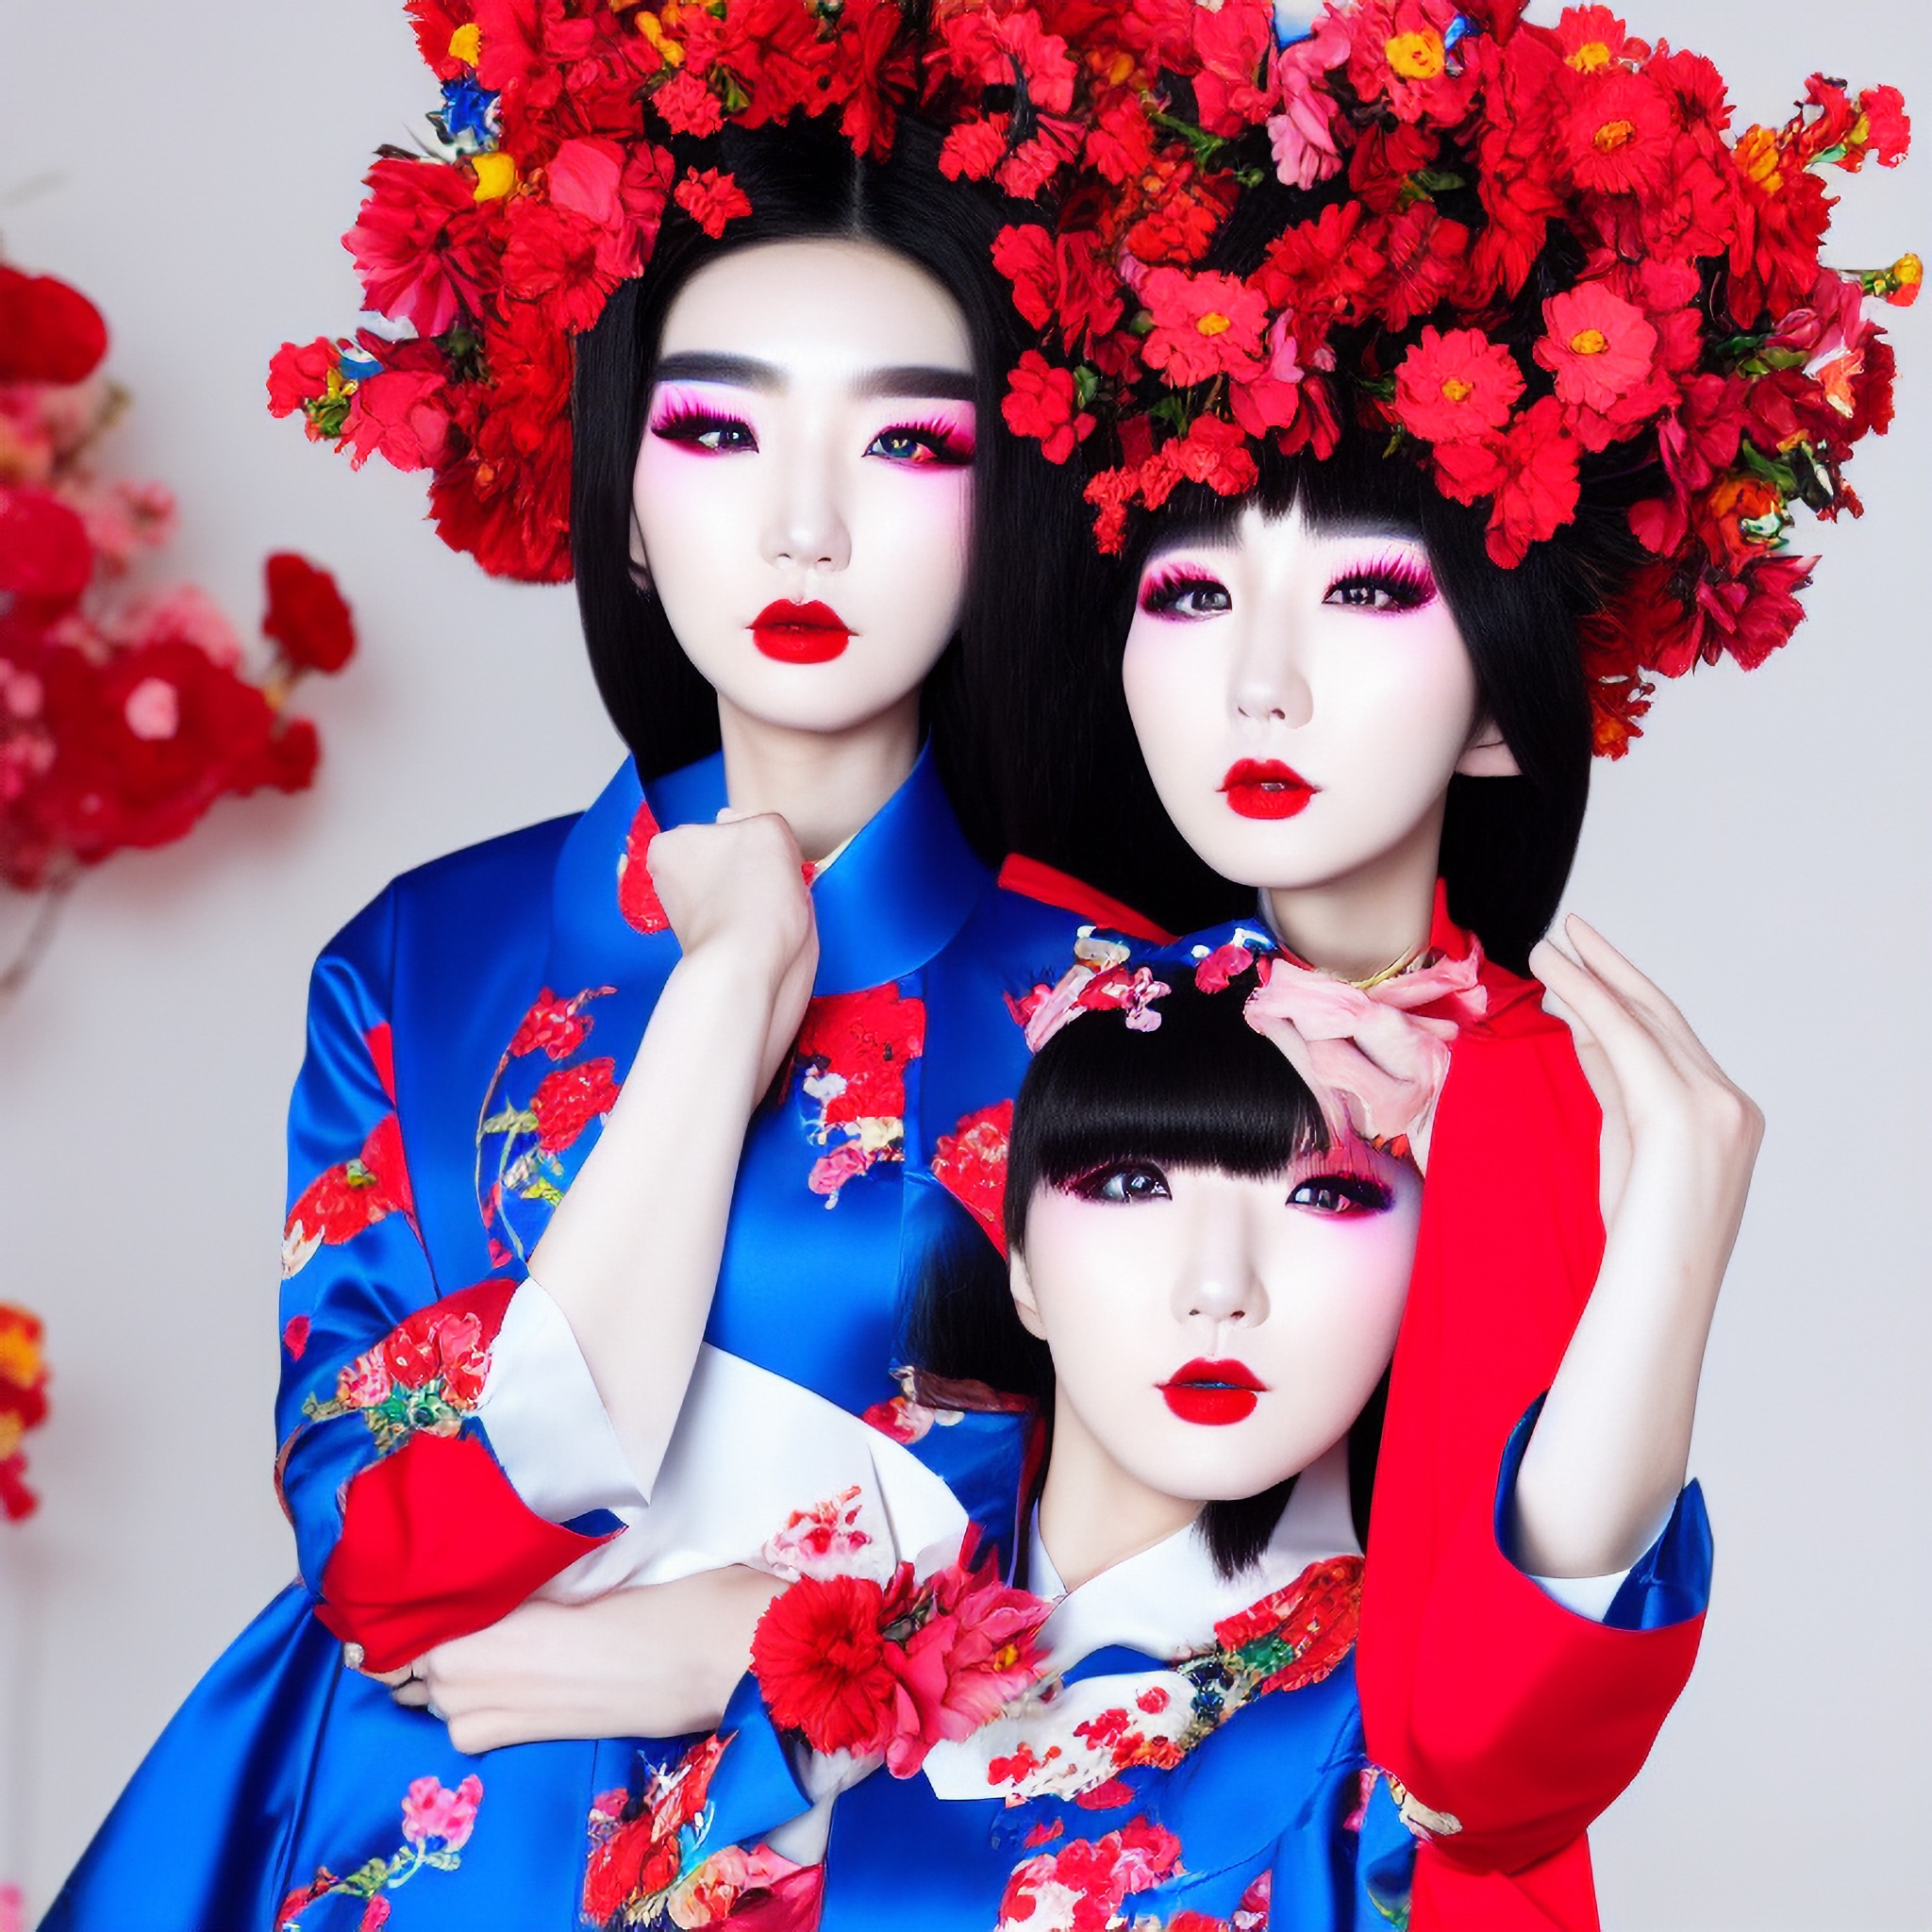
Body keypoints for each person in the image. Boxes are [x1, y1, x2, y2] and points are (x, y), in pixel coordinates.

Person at [42, 46, 1151, 1932]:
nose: (803, 524)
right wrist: (729, 990)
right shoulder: (424, 958)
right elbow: (380, 1551)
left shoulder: (1125, 1003)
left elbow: (1203, 1594)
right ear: (623, 494)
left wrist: (748, 1638)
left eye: (907, 444)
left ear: (1007, 509)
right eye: (717, 432)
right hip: (432, 1842)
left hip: (895, 1870)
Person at [590, 954, 1732, 1929]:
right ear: (1020, 1266)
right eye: (1133, 1182)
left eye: (1325, 1198)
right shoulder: (835, 1641)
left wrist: (1660, 1242)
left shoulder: (1389, 1738)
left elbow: (1515, 1716)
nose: (1219, 1284)